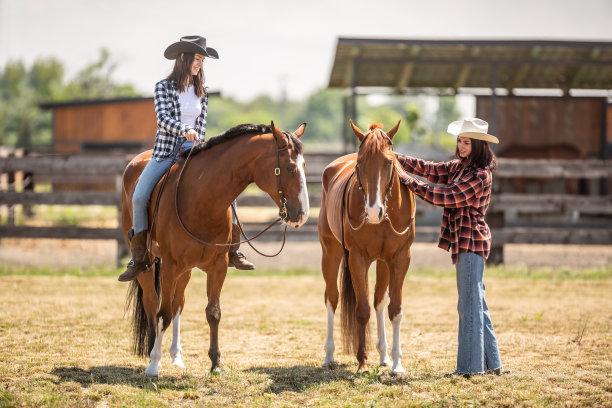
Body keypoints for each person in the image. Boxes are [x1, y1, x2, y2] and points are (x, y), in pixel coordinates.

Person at [118, 35, 254, 283]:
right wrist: (184, 130)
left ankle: (232, 250)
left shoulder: (203, 91)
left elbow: (200, 125)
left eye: (202, 59)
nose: (200, 64)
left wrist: (199, 143)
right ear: (183, 58)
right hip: (166, 152)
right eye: (197, 58)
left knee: (229, 193)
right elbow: (163, 119)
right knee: (138, 197)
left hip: (195, 152)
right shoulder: (163, 87)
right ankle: (139, 257)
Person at [396, 118, 505, 377]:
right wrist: (394, 157)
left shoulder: (479, 175)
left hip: (470, 242)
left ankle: (469, 369)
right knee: (477, 303)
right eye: (460, 141)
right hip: (466, 242)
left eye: (467, 142)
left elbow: (448, 197)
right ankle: (493, 365)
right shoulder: (459, 168)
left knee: (468, 306)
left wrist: (407, 181)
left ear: (478, 146)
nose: (461, 146)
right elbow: (429, 168)